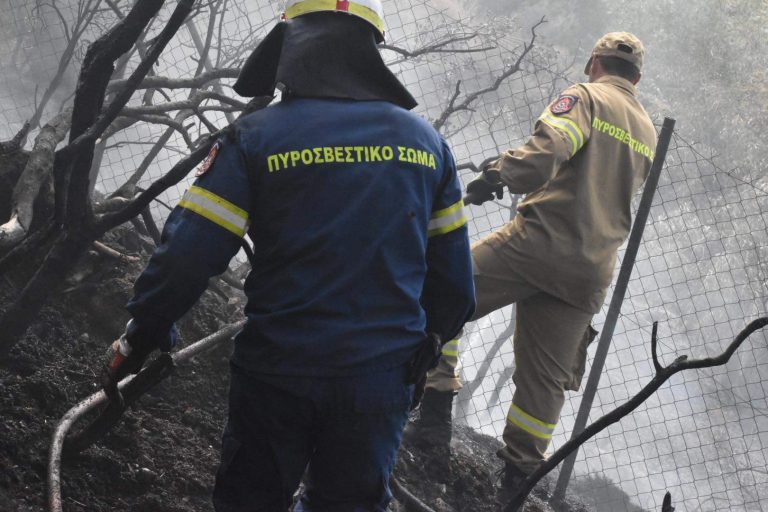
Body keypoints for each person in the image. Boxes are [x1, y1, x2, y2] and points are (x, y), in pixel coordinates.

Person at [100, 2, 476, 511]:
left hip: (278, 372)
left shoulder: (257, 137)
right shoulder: (427, 146)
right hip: (378, 379)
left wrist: (143, 332)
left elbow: (189, 255)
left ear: (291, 44)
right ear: (371, 51)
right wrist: (418, 351)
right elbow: (454, 284)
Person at [403, 32, 657, 489]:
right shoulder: (646, 130)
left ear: (592, 63)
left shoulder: (585, 98)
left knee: (444, 291)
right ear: (636, 78)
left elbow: (550, 151)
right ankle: (518, 483)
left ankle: (435, 412)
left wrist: (499, 174)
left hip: (536, 246)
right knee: (543, 383)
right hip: (589, 271)